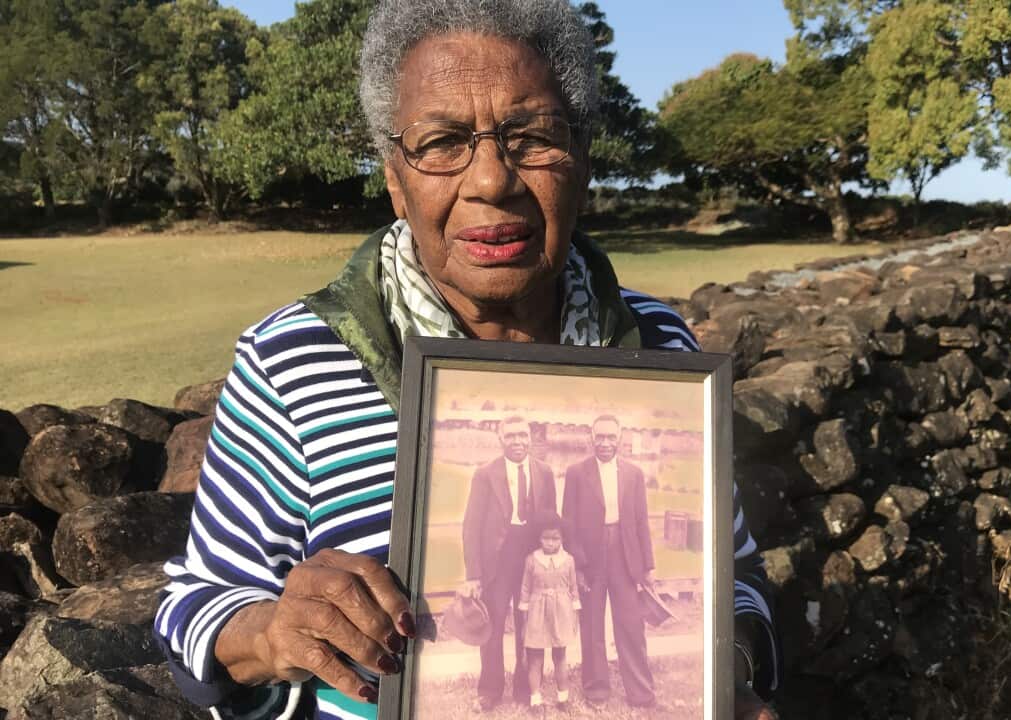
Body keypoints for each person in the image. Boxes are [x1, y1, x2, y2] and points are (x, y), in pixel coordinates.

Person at [152, 2, 779, 719]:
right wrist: (270, 633)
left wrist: (723, 667)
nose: (491, 181)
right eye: (443, 141)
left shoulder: (662, 344)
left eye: (533, 137)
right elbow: (195, 606)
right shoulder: (291, 357)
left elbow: (736, 575)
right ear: (395, 177)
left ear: (581, 160)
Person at [459, 416, 555, 709]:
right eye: (510, 436)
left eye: (522, 435)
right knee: (493, 627)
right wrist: (474, 574)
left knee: (529, 626)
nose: (517, 441)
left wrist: (551, 561)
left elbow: (551, 523)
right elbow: (471, 525)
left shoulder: (545, 472)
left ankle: (525, 688)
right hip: (497, 563)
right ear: (500, 439)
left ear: (531, 437)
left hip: (531, 559)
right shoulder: (485, 474)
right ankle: (489, 690)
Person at [561, 415, 656, 707]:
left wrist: (648, 567)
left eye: (610, 437)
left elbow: (641, 521)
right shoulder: (576, 472)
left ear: (620, 437)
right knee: (591, 626)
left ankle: (641, 693)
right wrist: (577, 564)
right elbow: (569, 522)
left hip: (625, 556)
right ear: (591, 437)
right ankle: (596, 690)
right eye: (599, 436)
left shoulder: (634, 473)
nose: (604, 443)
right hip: (590, 558)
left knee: (630, 624)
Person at [517, 513, 580, 709]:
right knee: (535, 658)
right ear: (539, 538)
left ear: (562, 539)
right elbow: (525, 589)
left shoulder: (568, 560)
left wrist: (575, 614)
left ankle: (563, 698)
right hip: (537, 612)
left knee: (560, 655)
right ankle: (535, 699)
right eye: (546, 538)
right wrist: (524, 619)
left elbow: (573, 588)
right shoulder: (532, 560)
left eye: (555, 538)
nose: (551, 543)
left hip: (560, 612)